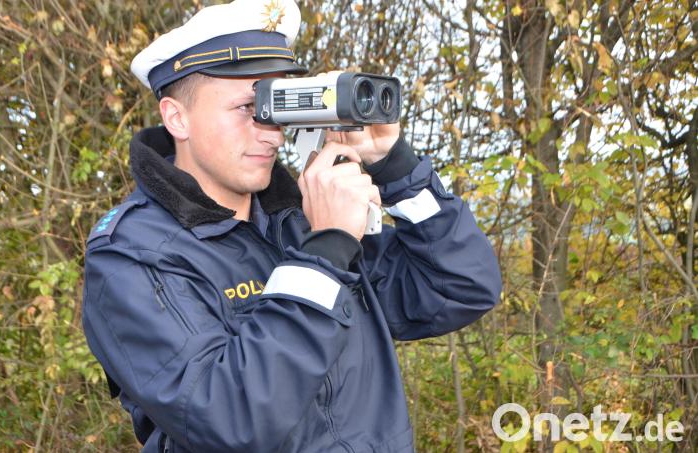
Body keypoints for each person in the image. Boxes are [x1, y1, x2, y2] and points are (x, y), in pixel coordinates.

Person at [82, 0, 502, 451]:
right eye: (247, 107)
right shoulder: (133, 255)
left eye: (273, 106)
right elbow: (230, 418)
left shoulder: (300, 219)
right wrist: (325, 256)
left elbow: (461, 288)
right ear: (176, 117)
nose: (270, 132)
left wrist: (395, 168)